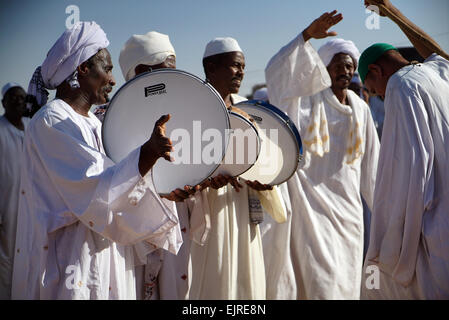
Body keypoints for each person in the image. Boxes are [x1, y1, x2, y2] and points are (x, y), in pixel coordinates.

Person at [11, 21, 183, 300]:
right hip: (72, 261)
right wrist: (148, 153)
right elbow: (96, 187)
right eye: (108, 69)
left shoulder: (96, 122)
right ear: (83, 69)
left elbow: (123, 184)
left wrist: (166, 191)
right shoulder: (52, 121)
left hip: (109, 255)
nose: (114, 81)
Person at [264, 10, 380, 299]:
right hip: (310, 212)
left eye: (350, 66)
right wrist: (305, 37)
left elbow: (372, 167)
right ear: (323, 68)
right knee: (321, 284)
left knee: (348, 282)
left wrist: (383, 213)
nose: (346, 71)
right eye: (338, 66)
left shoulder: (361, 108)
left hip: (350, 213)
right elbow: (277, 77)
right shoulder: (303, 103)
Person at [360, 0, 449, 299]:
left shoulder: (400, 85)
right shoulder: (438, 75)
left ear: (376, 70)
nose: (378, 97)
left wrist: (393, 237)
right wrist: (395, 15)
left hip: (436, 225)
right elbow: (439, 54)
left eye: (373, 89)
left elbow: (411, 167)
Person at [187, 37, 287, 300]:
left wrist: (266, 181)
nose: (241, 71)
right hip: (211, 210)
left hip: (244, 207)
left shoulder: (246, 107)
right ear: (211, 67)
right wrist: (207, 181)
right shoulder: (192, 108)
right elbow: (182, 166)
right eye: (234, 66)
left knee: (247, 281)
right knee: (215, 280)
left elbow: (265, 156)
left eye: (243, 66)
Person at [119, 30, 209, 300]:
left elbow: (188, 168)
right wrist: (158, 194)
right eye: (166, 71)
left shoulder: (180, 116)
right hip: (130, 241)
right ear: (143, 72)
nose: (174, 78)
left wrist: (197, 186)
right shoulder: (108, 122)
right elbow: (109, 188)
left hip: (175, 229)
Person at [0, 83, 30, 299]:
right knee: (7, 256)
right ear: (3, 103)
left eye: (21, 97)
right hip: (6, 206)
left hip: (31, 204)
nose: (18, 101)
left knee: (29, 254)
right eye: (13, 98)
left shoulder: (31, 127)